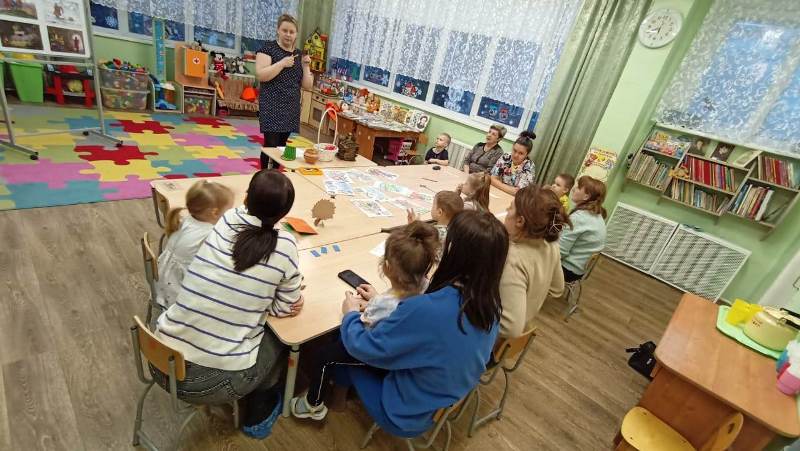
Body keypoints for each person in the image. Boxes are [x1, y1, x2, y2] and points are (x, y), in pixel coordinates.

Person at [290, 211, 508, 438]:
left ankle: (319, 403)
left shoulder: (429, 309)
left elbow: (364, 347)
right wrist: (381, 302)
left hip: (405, 413)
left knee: (336, 348)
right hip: (443, 400)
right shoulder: (490, 305)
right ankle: (338, 399)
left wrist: (350, 314)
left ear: (455, 253)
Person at [152, 170, 304, 439]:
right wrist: (274, 300)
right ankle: (258, 414)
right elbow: (284, 308)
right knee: (280, 336)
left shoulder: (227, 219)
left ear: (246, 198)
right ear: (284, 214)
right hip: (210, 382)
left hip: (160, 356)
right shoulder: (286, 246)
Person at [498, 185, 569, 337]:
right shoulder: (550, 245)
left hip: (494, 340)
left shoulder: (512, 259)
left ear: (520, 221)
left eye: (510, 208)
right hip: (524, 324)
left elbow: (509, 329)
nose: (506, 209)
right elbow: (557, 288)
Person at [156, 180, 234, 310]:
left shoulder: (185, 219)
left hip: (163, 283)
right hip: (180, 294)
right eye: (229, 210)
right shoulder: (209, 233)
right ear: (215, 213)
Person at [256, 14, 314, 169]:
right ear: (278, 30)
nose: (288, 34)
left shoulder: (299, 54)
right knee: (271, 144)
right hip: (271, 105)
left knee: (282, 145)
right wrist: (281, 63)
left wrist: (306, 66)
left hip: (290, 106)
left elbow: (307, 85)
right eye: (285, 30)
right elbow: (261, 75)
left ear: (296, 34)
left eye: (292, 32)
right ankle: (264, 175)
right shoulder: (268, 49)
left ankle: (275, 174)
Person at [561, 176, 608, 283]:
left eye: (578, 188)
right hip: (578, 269)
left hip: (567, 270)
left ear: (586, 196)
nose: (573, 189)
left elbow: (560, 252)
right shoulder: (597, 215)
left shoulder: (579, 217)